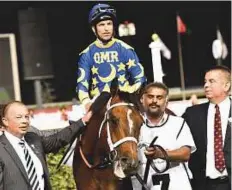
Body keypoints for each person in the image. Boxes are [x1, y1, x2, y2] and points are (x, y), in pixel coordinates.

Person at [0, 101, 92, 190]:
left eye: (27, 117)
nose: (24, 121)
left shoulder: (34, 139)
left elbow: (58, 138)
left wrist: (82, 122)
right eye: (19, 117)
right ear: (5, 121)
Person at [76, 3, 147, 111]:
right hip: (98, 102)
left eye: (109, 24)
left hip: (125, 99)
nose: (106, 29)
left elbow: (140, 77)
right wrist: (86, 102)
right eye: (101, 25)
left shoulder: (125, 49)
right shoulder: (87, 54)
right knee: (74, 118)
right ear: (94, 29)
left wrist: (131, 93)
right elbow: (82, 83)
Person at [131, 82, 196, 190]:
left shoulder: (178, 123)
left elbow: (185, 154)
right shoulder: (132, 125)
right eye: (150, 97)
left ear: (166, 102)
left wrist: (160, 154)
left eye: (159, 97)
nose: (154, 101)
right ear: (142, 100)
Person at [182, 65, 231, 190]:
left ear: (226, 86)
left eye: (211, 81)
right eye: (205, 82)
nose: (206, 85)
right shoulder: (192, 114)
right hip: (203, 185)